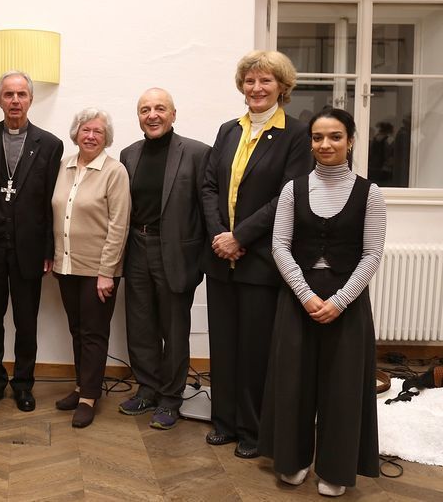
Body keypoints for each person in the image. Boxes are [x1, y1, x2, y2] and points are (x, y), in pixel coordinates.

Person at [259, 107, 384, 497]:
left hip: (348, 302)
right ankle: (292, 460)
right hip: (299, 298)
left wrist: (341, 300)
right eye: (317, 137)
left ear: (349, 141)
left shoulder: (370, 192)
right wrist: (307, 295)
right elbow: (279, 246)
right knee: (293, 382)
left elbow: (372, 254)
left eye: (334, 137)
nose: (325, 144)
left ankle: (336, 467)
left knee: (343, 387)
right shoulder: (292, 189)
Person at [200, 50, 312, 459]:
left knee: (254, 350)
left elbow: (289, 194)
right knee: (224, 345)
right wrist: (219, 235)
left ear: (282, 87)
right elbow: (209, 186)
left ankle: (252, 429)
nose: (256, 88)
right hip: (220, 257)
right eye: (250, 81)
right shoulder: (229, 130)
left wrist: (240, 236)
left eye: (265, 81)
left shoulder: (297, 134)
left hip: (261, 259)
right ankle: (224, 422)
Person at [0, 71, 64, 412]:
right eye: (8, 95)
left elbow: (53, 201)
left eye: (21, 94)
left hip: (29, 249)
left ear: (31, 100)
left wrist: (50, 249)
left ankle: (23, 384)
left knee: (26, 321)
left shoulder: (50, 144)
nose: (15, 101)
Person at [117, 88, 211, 430]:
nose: (152, 115)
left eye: (160, 108)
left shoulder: (198, 153)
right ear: (138, 116)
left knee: (174, 329)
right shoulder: (128, 155)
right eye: (145, 109)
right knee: (140, 324)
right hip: (136, 247)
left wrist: (202, 258)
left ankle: (171, 398)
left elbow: (207, 209)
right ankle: (147, 388)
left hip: (176, 252)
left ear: (173, 114)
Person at [51, 108, 129, 427]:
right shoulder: (63, 167)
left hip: (99, 271)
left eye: (98, 131)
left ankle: (89, 397)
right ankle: (81, 386)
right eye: (85, 130)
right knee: (77, 330)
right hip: (66, 265)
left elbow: (118, 224)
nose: (91, 136)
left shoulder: (115, 171)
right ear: (76, 133)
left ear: (106, 137)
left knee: (94, 333)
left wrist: (107, 271)